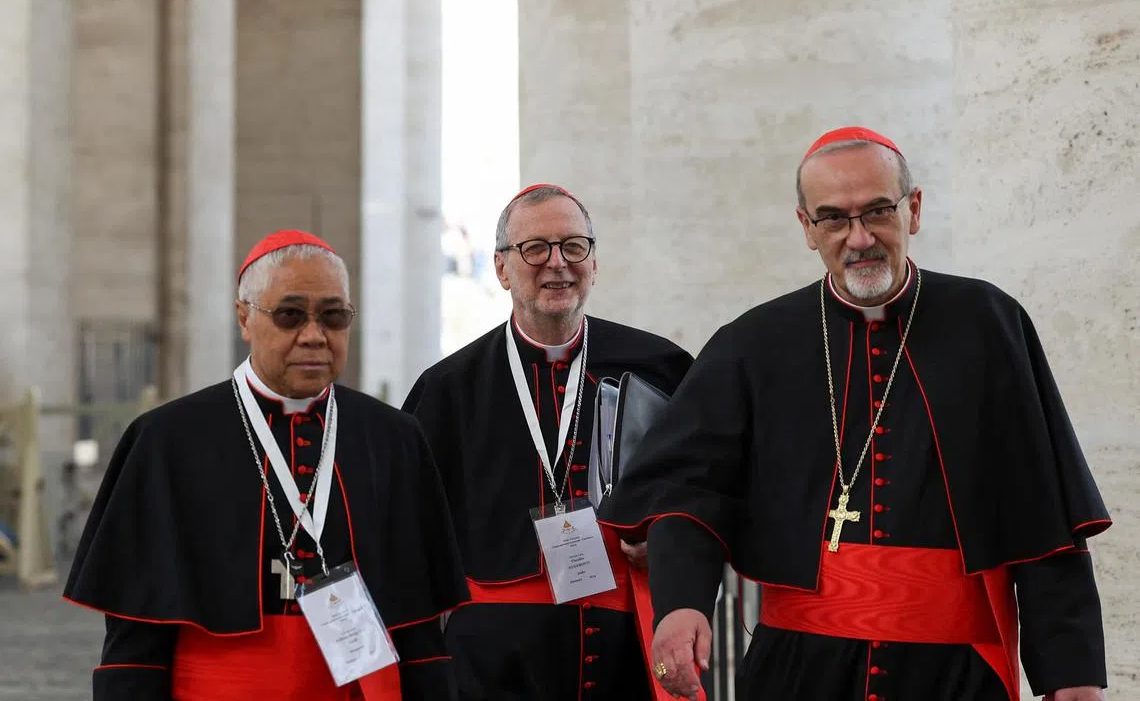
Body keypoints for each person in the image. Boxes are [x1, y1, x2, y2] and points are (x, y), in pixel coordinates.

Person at [603, 127, 1111, 701]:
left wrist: (1073, 677)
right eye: (834, 219)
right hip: (797, 671)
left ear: (913, 210)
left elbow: (1043, 512)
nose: (859, 238)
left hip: (954, 673)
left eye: (877, 212)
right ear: (806, 228)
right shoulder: (753, 343)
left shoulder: (987, 325)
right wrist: (681, 604)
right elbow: (686, 490)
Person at [64, 229, 469, 700]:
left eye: (333, 317)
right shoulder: (166, 442)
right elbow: (134, 645)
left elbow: (419, 631)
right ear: (244, 317)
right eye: (290, 315)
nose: (314, 335)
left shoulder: (393, 439)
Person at [402, 184, 694, 701]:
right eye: (535, 248)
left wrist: (670, 539)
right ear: (500, 268)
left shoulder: (660, 367)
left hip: (625, 647)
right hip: (492, 663)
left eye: (573, 246)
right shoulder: (447, 388)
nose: (557, 263)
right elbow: (409, 531)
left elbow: (704, 488)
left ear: (594, 261)